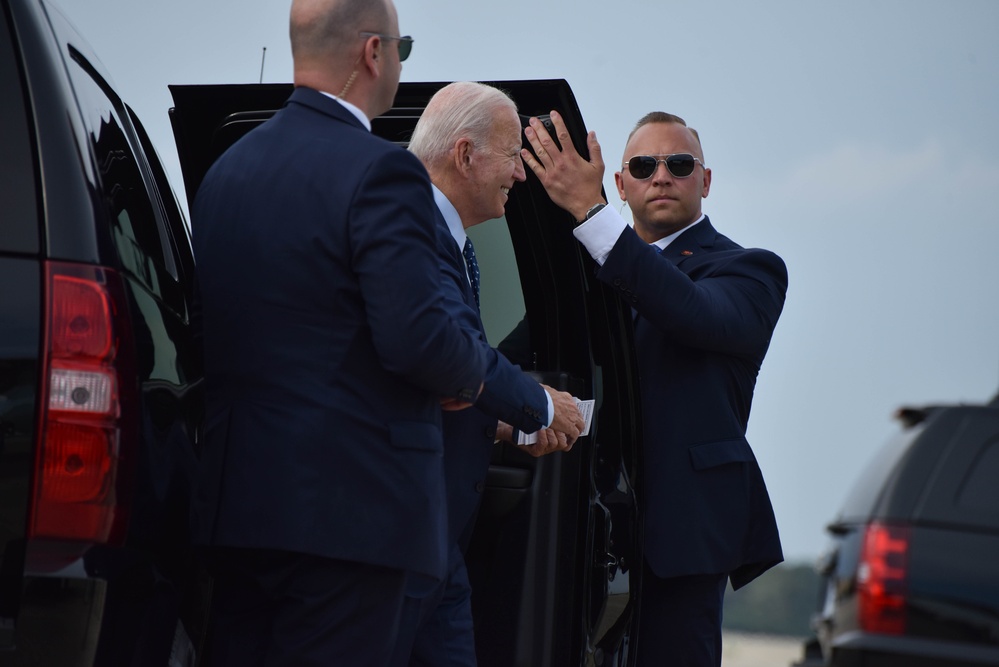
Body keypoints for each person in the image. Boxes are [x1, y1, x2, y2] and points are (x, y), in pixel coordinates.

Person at [188, 1, 491, 665]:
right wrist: (478, 377)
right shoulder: (384, 169)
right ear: (372, 52)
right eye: (402, 49)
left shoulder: (224, 172)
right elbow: (419, 339)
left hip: (236, 507)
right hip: (354, 518)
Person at [520, 110, 787, 667]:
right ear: (621, 184)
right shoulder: (587, 274)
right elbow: (518, 357)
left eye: (679, 164)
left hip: (682, 537)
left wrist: (591, 214)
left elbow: (690, 312)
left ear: (705, 181)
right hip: (578, 526)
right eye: (643, 166)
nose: (661, 175)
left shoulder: (749, 271)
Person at [391, 81, 586, 667]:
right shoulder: (406, 233)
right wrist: (542, 406)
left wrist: (501, 428)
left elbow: (428, 383)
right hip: (399, 525)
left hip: (432, 536)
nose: (520, 176)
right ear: (465, 153)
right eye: (510, 156)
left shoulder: (439, 235)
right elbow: (443, 356)